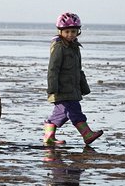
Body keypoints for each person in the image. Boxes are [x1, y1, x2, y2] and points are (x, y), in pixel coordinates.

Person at [44, 12, 103, 147]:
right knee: (75, 112)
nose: (70, 34)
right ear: (60, 31)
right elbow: (53, 68)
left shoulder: (75, 47)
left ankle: (48, 137)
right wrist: (53, 88)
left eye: (73, 31)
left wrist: (83, 87)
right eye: (67, 32)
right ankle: (87, 134)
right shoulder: (59, 47)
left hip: (72, 88)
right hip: (62, 89)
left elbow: (78, 70)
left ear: (78, 32)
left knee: (61, 114)